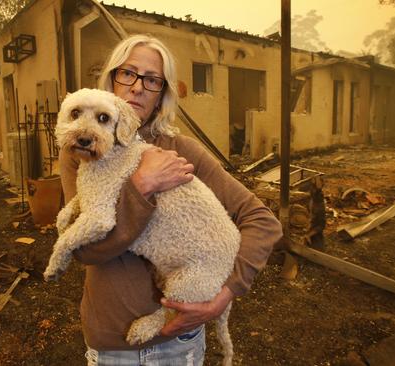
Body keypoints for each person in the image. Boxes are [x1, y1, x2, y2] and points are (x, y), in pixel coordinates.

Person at [59, 34, 283, 365]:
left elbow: (262, 221)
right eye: (128, 73)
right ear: (111, 78)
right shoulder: (80, 150)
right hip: (111, 343)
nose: (137, 87)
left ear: (162, 93)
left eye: (152, 80)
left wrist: (225, 294)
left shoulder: (183, 151)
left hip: (180, 340)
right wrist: (143, 184)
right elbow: (87, 250)